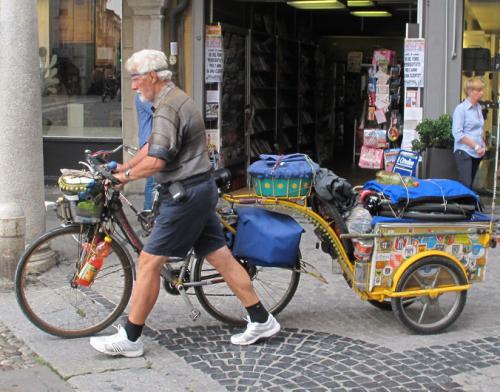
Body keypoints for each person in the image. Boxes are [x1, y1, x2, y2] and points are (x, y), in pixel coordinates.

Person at [90, 49, 280, 357]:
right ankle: (261, 318)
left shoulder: (167, 107)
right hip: (198, 190)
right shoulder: (172, 99)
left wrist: (123, 179)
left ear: (152, 76)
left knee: (149, 262)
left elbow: (156, 160)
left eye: (136, 79)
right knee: (221, 258)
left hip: (186, 195)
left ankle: (131, 338)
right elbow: (152, 145)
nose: (133, 86)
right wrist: (123, 169)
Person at [118, 93, 155, 211]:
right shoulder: (143, 95)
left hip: (153, 142)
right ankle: (148, 213)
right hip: (149, 143)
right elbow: (160, 113)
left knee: (154, 181)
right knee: (152, 181)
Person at [452, 77, 487, 189]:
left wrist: (482, 144)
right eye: (479, 90)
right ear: (471, 92)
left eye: (482, 90)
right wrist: (476, 146)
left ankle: (466, 205)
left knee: (469, 184)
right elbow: (458, 134)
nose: (482, 93)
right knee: (465, 182)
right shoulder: (461, 109)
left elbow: (479, 129)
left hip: (476, 152)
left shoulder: (478, 108)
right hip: (464, 150)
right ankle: (461, 205)